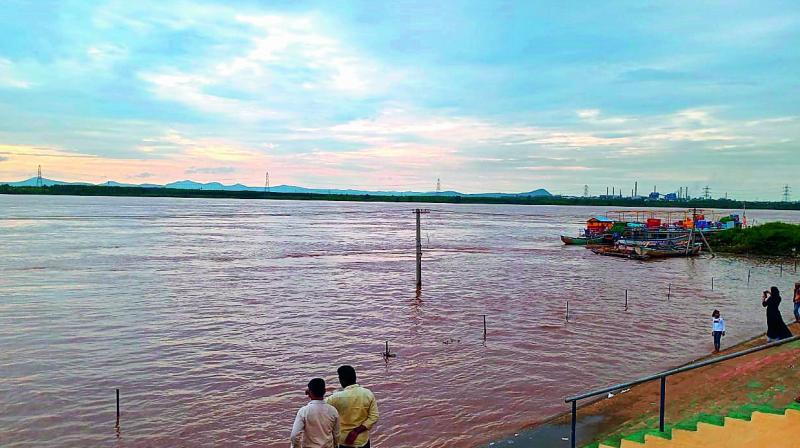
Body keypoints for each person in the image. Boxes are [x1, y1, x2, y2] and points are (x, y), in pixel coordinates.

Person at [326, 365, 379, 448]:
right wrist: (356, 431)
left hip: (343, 441)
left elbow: (319, 406)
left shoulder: (335, 398)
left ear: (341, 380)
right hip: (362, 441)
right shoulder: (368, 394)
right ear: (355, 377)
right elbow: (374, 417)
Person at [290, 378, 340, 448]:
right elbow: (336, 435)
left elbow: (294, 436)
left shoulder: (303, 411)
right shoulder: (333, 411)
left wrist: (296, 446)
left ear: (310, 393)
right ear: (325, 391)